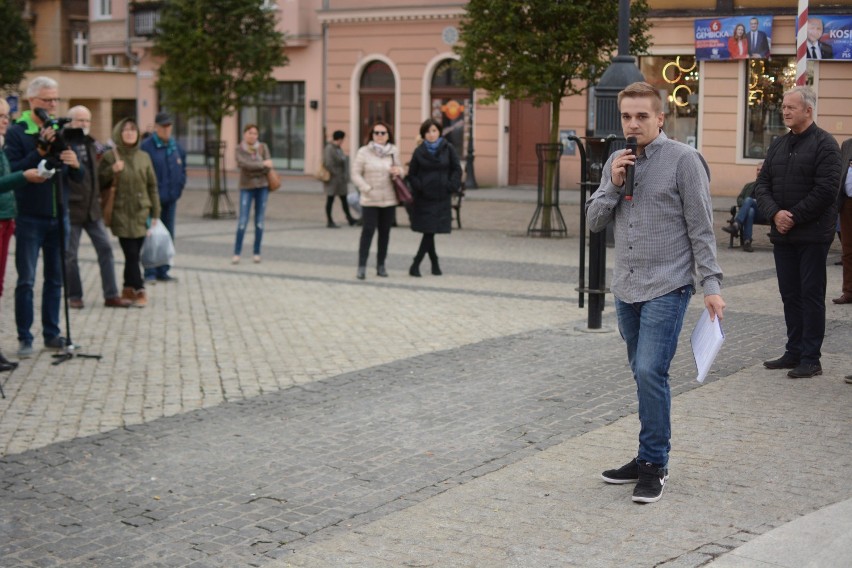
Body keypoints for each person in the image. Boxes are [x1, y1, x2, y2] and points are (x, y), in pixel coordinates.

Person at [587, 82, 724, 504]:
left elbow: (702, 228)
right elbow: (594, 221)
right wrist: (612, 183)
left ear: (660, 118)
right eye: (627, 116)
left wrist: (712, 286)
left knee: (650, 371)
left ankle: (654, 464)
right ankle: (645, 455)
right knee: (642, 373)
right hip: (626, 288)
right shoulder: (617, 159)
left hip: (668, 284)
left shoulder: (684, 160)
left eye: (642, 116)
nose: (633, 124)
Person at [753, 85, 841, 379]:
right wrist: (775, 214)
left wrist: (794, 216)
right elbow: (762, 184)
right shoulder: (778, 144)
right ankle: (793, 351)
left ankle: (810, 357)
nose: (785, 111)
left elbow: (827, 190)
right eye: (783, 107)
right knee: (789, 294)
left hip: (813, 234)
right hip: (783, 234)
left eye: (791, 107)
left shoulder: (825, 144)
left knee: (810, 294)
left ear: (808, 110)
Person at [5, 76, 84, 358]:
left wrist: (76, 166)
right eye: (47, 100)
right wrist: (38, 150)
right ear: (32, 102)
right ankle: (25, 336)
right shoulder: (17, 132)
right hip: (29, 216)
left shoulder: (56, 128)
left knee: (55, 278)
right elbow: (13, 171)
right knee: (26, 279)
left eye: (55, 100)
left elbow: (76, 176)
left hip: (58, 214)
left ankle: (52, 333)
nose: (52, 105)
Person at [64, 106, 132, 309]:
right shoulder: (64, 143)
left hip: (92, 208)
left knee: (105, 249)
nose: (84, 124)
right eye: (80, 120)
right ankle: (74, 295)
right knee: (70, 254)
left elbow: (100, 173)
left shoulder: (93, 144)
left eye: (87, 121)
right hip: (72, 208)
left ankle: (111, 295)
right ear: (70, 122)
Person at [0, 98, 46, 369]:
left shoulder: (2, 143)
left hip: (7, 218)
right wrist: (23, 177)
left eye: (7, 115)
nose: (6, 120)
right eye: (1, 115)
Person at [98, 118, 161, 308]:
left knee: (134, 254)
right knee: (131, 253)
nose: (129, 133)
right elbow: (99, 181)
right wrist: (111, 170)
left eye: (133, 130)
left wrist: (156, 212)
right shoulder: (110, 156)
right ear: (119, 133)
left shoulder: (144, 156)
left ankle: (128, 288)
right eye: (125, 130)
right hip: (121, 211)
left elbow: (152, 185)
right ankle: (140, 289)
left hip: (141, 211)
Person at [406, 118, 462, 277]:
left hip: (441, 196)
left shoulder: (448, 148)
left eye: (434, 131)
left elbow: (456, 169)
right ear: (423, 134)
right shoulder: (419, 151)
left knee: (430, 230)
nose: (431, 135)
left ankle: (422, 264)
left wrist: (451, 186)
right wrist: (420, 186)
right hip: (424, 198)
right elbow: (412, 174)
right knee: (429, 230)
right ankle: (423, 264)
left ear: (439, 131)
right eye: (427, 132)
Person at [350, 120, 403, 280]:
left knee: (385, 234)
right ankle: (362, 266)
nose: (379, 135)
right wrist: (366, 188)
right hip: (370, 199)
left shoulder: (393, 151)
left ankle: (381, 265)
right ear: (372, 135)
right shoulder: (363, 152)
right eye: (376, 133)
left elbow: (402, 170)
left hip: (389, 199)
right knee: (367, 232)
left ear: (388, 135)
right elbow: (355, 173)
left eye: (383, 133)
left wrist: (398, 171)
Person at [140, 111, 185, 283]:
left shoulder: (176, 146)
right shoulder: (147, 146)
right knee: (151, 235)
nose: (167, 129)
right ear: (156, 127)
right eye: (163, 126)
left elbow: (183, 170)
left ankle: (163, 270)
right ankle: (150, 271)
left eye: (169, 126)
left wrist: (178, 189)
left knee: (167, 235)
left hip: (170, 198)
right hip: (152, 200)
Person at [232, 124, 271, 264]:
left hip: (262, 187)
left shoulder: (263, 147)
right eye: (250, 133)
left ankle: (256, 252)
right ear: (244, 134)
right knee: (243, 221)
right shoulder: (239, 149)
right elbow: (244, 165)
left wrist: (257, 166)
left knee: (259, 222)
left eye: (255, 133)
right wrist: (261, 165)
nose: (253, 135)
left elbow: (269, 166)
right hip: (246, 187)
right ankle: (237, 253)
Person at [722, 161, 768, 252]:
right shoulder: (749, 185)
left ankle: (736, 224)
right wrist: (746, 204)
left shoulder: (769, 186)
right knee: (750, 210)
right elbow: (739, 198)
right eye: (757, 170)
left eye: (761, 170)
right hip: (750, 213)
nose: (759, 171)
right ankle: (747, 242)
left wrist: (753, 202)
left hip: (763, 213)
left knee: (749, 200)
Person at [831, 138, 852, 305]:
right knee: (848, 250)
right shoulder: (847, 145)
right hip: (847, 204)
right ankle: (849, 292)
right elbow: (840, 171)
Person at [323, 130, 357, 228]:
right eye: (342, 139)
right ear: (339, 139)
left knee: (344, 199)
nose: (343, 141)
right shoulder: (330, 148)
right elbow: (328, 163)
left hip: (340, 180)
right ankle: (329, 221)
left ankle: (349, 218)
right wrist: (336, 173)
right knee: (330, 199)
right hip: (332, 179)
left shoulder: (338, 148)